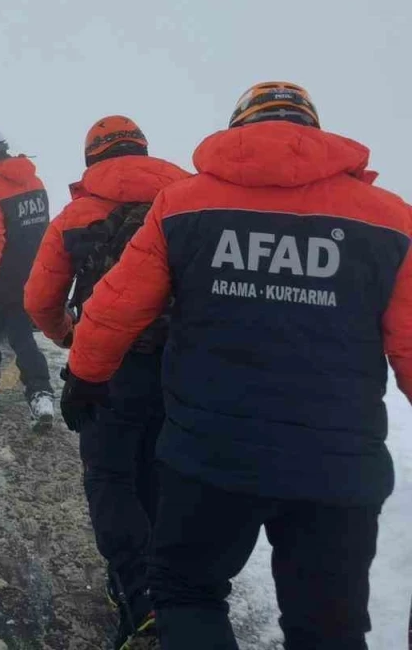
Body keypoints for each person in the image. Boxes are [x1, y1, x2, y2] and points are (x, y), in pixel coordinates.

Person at [63, 83, 412, 650]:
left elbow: (116, 306)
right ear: (313, 131)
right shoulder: (393, 220)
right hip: (337, 468)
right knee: (328, 627)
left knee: (187, 592)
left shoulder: (185, 206)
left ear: (238, 132)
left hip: (209, 457)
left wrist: (85, 376)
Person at [24, 116, 189, 648]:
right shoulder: (189, 203)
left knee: (111, 478)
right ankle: (174, 590)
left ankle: (140, 597)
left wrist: (71, 337)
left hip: (107, 368)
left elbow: (39, 300)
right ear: (144, 149)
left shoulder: (76, 216)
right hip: (181, 370)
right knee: (159, 475)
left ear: (92, 158)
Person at [0, 124, 55, 426]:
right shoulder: (35, 181)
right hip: (30, 274)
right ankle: (41, 394)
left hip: (0, 276)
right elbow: (43, 229)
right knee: (21, 335)